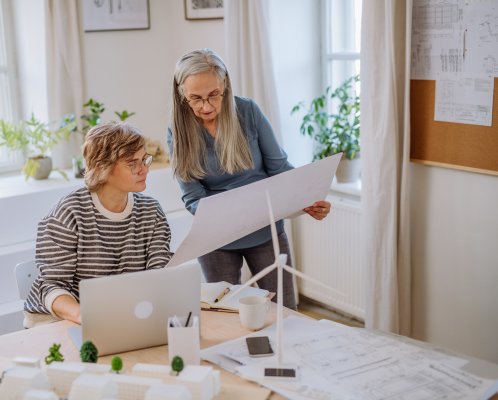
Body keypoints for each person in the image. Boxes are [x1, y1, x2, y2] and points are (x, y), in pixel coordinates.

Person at [167, 49, 331, 311]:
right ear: (181, 94)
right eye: (195, 99)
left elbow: (280, 168)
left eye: (214, 96)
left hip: (265, 231)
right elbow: (193, 198)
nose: (206, 107)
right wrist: (233, 213)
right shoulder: (178, 132)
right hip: (216, 239)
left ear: (226, 85)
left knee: (285, 312)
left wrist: (308, 199)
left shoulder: (248, 112)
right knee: (226, 316)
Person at [23, 123, 172, 328]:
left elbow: (160, 275)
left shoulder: (151, 212)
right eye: (133, 163)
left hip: (117, 315)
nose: (145, 169)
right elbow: (52, 286)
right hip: (59, 318)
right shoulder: (67, 214)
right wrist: (87, 317)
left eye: (144, 159)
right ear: (103, 168)